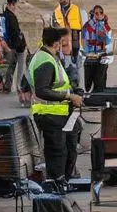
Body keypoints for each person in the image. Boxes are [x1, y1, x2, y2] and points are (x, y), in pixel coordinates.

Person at [28, 27, 84, 187]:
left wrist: (73, 91)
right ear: (55, 43)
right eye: (61, 42)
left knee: (69, 148)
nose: (63, 45)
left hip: (62, 112)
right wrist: (68, 96)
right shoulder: (44, 61)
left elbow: (59, 84)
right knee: (57, 151)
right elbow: (42, 90)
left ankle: (64, 179)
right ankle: (56, 183)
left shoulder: (51, 57)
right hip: (50, 114)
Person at [0, 0, 29, 100]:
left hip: (10, 45)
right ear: (11, 4)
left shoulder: (3, 16)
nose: (15, 7)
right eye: (15, 5)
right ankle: (18, 87)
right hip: (15, 46)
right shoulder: (11, 16)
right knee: (19, 67)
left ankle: (8, 86)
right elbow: (16, 32)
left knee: (10, 67)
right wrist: (20, 43)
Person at [81, 5, 113, 93]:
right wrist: (86, 55)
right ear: (93, 14)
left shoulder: (106, 27)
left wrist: (104, 37)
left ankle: (100, 97)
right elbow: (84, 41)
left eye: (101, 12)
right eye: (96, 13)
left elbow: (109, 42)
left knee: (100, 81)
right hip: (90, 56)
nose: (99, 14)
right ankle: (90, 97)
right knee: (89, 81)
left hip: (102, 55)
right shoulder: (87, 26)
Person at [52, 0, 83, 80]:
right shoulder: (56, 11)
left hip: (74, 37)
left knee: (75, 62)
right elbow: (54, 25)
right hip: (62, 39)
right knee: (62, 62)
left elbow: (80, 23)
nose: (63, 0)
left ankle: (75, 82)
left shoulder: (75, 8)